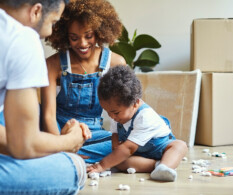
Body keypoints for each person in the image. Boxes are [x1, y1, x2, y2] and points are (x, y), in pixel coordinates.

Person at [0, 0, 92, 194]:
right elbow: (23, 146)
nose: (49, 33)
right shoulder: (21, 37)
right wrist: (69, 141)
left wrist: (51, 144)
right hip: (26, 141)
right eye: (53, 22)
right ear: (36, 11)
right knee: (73, 168)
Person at [42, 0, 126, 164]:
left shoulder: (117, 63)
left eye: (89, 36)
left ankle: (65, 158)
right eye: (74, 38)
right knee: (40, 141)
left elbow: (126, 110)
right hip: (59, 131)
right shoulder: (53, 64)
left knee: (125, 145)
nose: (82, 44)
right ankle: (64, 156)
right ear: (64, 35)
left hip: (94, 133)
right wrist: (62, 146)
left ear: (100, 32)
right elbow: (48, 116)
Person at [87, 65, 188, 182]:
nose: (112, 117)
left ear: (135, 103)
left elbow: (128, 148)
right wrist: (116, 147)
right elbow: (115, 133)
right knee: (119, 161)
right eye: (108, 112)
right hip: (139, 153)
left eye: (115, 112)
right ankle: (157, 165)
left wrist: (101, 165)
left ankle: (166, 165)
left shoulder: (145, 117)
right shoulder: (117, 115)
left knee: (179, 146)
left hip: (160, 148)